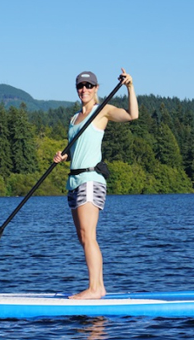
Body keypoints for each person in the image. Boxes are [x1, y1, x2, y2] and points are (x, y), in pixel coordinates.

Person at [53, 68, 138, 299]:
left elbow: (132, 115)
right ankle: (97, 286)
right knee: (82, 236)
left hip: (91, 180)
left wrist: (130, 86)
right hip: (74, 180)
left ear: (96, 88)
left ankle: (95, 288)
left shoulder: (103, 111)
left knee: (88, 234)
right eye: (80, 86)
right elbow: (77, 149)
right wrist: (64, 156)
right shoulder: (74, 118)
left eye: (89, 86)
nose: (84, 90)